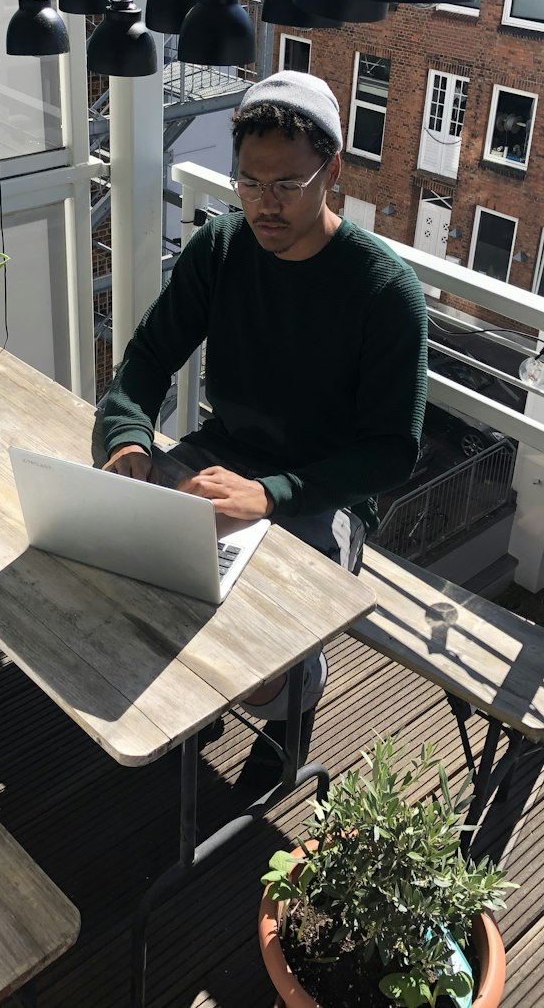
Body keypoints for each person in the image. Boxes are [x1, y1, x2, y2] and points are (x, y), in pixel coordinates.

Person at [97, 70, 428, 787]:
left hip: (321, 493)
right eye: (249, 182)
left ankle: (291, 704)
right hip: (222, 457)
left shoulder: (383, 290)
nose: (264, 205)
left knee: (260, 643)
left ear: (332, 170)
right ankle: (211, 695)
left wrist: (271, 494)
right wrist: (126, 438)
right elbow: (147, 359)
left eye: (287, 184)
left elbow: (390, 451)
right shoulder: (221, 249)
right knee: (131, 564)